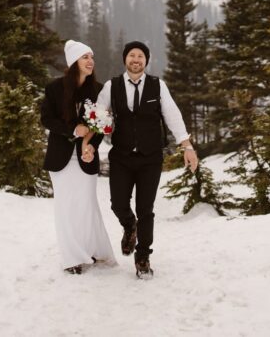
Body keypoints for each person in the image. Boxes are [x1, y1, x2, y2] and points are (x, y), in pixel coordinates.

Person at [95, 40, 198, 279]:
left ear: (146, 61)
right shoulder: (112, 86)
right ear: (125, 60)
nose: (136, 59)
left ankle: (143, 257)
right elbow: (98, 118)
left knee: (146, 209)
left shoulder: (157, 86)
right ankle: (129, 225)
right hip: (121, 156)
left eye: (140, 56)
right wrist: (90, 143)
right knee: (118, 203)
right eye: (132, 55)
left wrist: (187, 146)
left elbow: (173, 116)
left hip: (150, 157)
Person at [40, 40, 116, 274]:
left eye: (92, 57)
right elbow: (47, 120)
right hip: (60, 158)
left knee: (87, 205)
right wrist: (73, 131)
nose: (90, 61)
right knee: (66, 207)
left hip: (85, 157)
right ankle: (72, 258)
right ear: (74, 62)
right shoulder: (54, 89)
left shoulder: (98, 90)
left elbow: (100, 123)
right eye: (85, 57)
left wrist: (91, 145)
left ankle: (93, 250)